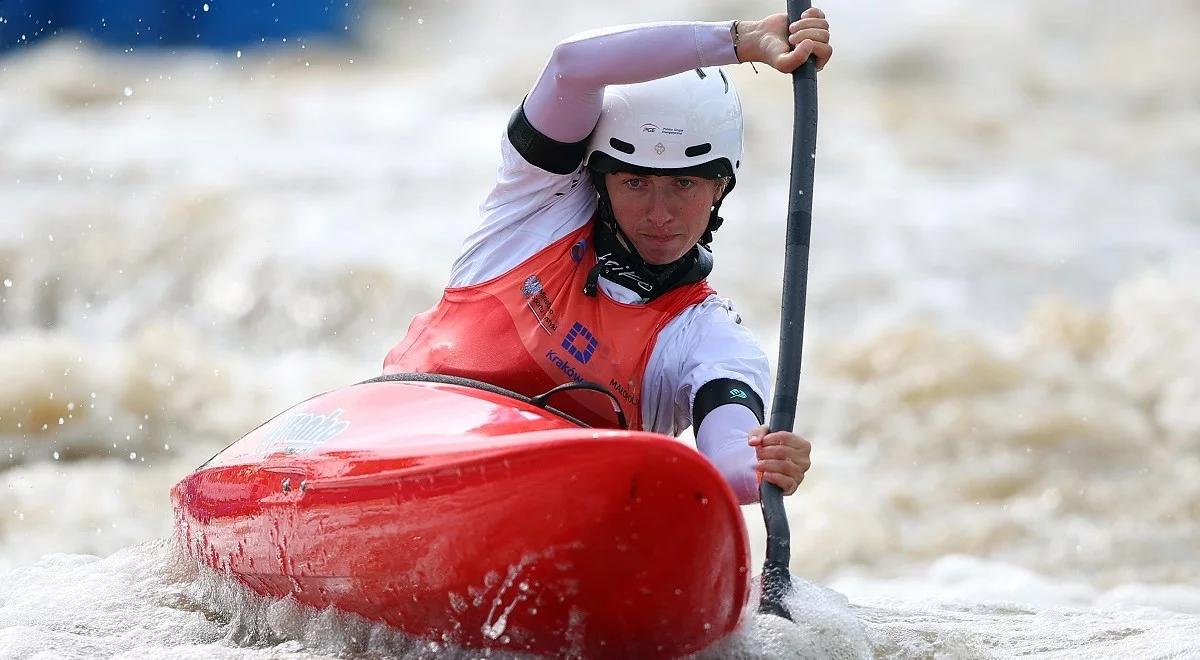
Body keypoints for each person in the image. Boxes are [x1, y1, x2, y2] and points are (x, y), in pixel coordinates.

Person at [384, 9, 833, 504]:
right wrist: (740, 41)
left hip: (555, 509)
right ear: (601, 179)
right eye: (635, 182)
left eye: (684, 184)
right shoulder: (536, 201)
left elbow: (727, 462)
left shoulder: (710, 337)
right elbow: (573, 64)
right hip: (409, 435)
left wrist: (761, 468)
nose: (660, 213)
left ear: (719, 188)